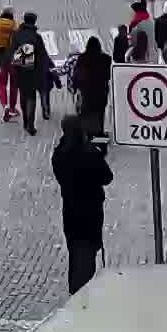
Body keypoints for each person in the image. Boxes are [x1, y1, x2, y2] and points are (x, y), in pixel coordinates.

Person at [53, 113, 112, 294]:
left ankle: (76, 289)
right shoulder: (89, 154)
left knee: (75, 251)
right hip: (91, 211)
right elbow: (107, 177)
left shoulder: (59, 154)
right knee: (87, 253)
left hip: (70, 210)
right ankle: (84, 293)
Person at [11, 12, 55, 136]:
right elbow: (42, 56)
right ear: (34, 22)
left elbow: (11, 51)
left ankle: (25, 121)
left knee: (23, 96)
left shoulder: (16, 35)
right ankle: (30, 124)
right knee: (31, 97)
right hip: (33, 72)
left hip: (20, 71)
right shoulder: (36, 37)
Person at [72, 36, 113, 135]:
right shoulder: (106, 58)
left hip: (86, 92)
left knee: (88, 113)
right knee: (100, 113)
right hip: (101, 91)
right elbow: (108, 75)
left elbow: (77, 75)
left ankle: (89, 135)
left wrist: (75, 88)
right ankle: (99, 135)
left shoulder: (82, 58)